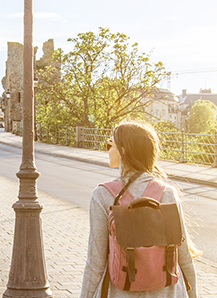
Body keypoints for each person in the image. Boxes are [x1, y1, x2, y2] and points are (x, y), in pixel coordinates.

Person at [80, 120, 197, 298]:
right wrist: (193, 294)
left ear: (124, 149)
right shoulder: (168, 193)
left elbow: (95, 263)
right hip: (168, 292)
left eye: (109, 144)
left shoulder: (103, 195)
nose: (108, 150)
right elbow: (184, 257)